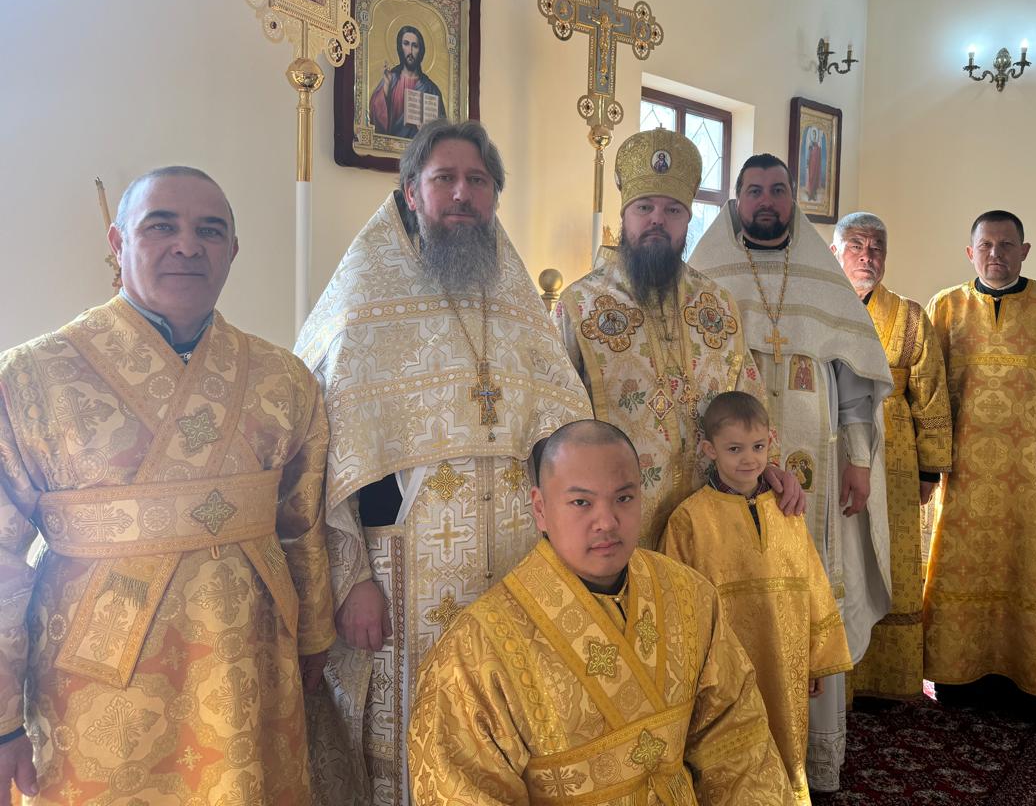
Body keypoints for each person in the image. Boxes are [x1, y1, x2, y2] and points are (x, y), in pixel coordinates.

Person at [0, 166, 335, 804]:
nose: (188, 245)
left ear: (232, 250)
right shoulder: (28, 379)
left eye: (210, 230)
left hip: (251, 663)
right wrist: (2, 720)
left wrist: (316, 634)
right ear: (117, 241)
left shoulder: (283, 378)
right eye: (161, 226)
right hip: (96, 684)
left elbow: (303, 522)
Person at [296, 118, 591, 806]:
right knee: (414, 733)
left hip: (517, 559)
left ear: (494, 196)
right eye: (445, 179)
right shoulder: (363, 298)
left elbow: (565, 434)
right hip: (407, 574)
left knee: (508, 719)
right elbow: (329, 459)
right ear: (410, 192)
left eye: (478, 181)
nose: (463, 194)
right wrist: (351, 580)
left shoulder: (518, 303)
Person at [407, 419, 791, 805]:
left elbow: (739, 743)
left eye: (624, 498)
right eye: (581, 503)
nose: (607, 522)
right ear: (540, 509)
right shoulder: (474, 649)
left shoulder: (690, 595)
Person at [689, 153, 893, 791]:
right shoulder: (709, 272)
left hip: (815, 470)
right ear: (737, 201)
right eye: (754, 191)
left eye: (778, 190)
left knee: (809, 584)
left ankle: (811, 754)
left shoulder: (823, 278)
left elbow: (856, 383)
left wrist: (859, 462)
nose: (767, 201)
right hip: (730, 472)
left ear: (791, 200)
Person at [556, 129, 802, 551]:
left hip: (711, 520)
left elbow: (748, 396)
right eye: (644, 207)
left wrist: (770, 465)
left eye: (672, 210)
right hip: (617, 521)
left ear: (687, 219)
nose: (658, 219)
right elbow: (559, 421)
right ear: (625, 215)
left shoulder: (717, 304)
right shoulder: (579, 306)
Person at [924, 210, 1036, 721]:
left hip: (1033, 473)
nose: (995, 254)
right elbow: (928, 389)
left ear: (1024, 251)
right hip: (964, 474)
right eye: (986, 245)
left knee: (1034, 570)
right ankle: (959, 675)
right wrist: (928, 461)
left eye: (1006, 245)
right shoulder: (946, 307)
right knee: (963, 571)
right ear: (970, 252)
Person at [660, 392, 853, 805]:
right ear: (710, 450)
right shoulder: (689, 519)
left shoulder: (787, 510)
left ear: (771, 443)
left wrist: (817, 657)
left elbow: (811, 581)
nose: (749, 459)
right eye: (734, 449)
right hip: (723, 665)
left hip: (785, 658)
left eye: (758, 447)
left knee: (784, 742)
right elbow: (675, 600)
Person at [832, 211, 952, 703]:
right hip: (836, 446)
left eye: (876, 247)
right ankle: (838, 671)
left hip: (896, 452)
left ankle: (888, 677)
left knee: (893, 556)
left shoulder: (909, 316)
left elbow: (931, 394)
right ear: (836, 252)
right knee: (843, 555)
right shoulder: (820, 308)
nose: (867, 256)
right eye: (856, 246)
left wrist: (929, 469)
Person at [369, 25, 445, 138]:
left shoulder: (431, 89)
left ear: (420, 51)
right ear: (400, 47)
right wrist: (386, 88)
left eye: (415, 46)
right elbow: (374, 118)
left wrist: (427, 131)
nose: (410, 51)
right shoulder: (391, 79)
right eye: (406, 44)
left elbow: (442, 130)